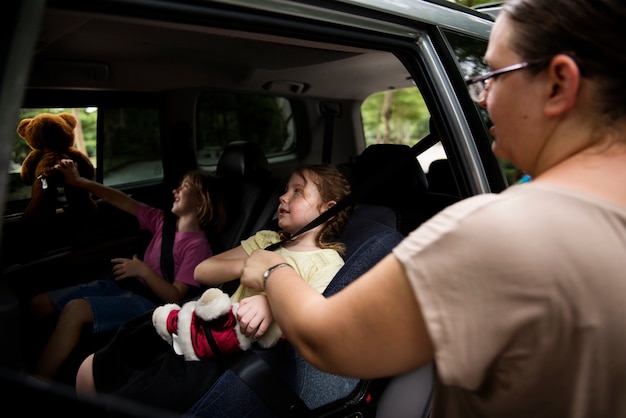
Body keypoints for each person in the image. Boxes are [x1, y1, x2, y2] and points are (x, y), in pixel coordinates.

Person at [239, 0, 626, 416]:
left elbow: (324, 340)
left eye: (492, 75)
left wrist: (271, 269)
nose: (481, 97)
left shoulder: (496, 231)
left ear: (558, 84)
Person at [74, 164, 352, 412]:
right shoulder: (268, 240)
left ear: (328, 210)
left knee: (148, 389)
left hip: (228, 351)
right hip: (202, 324)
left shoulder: (326, 261)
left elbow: (312, 316)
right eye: (286, 189)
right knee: (114, 351)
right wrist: (252, 267)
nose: (283, 196)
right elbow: (202, 270)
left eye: (298, 192)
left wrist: (272, 302)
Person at [28, 160, 227, 381]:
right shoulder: (162, 221)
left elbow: (175, 295)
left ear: (201, 201)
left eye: (184, 187)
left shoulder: (198, 246)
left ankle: (35, 381)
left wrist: (142, 271)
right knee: (38, 303)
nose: (175, 190)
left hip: (149, 305)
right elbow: (120, 200)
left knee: (75, 309)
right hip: (123, 288)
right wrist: (80, 181)